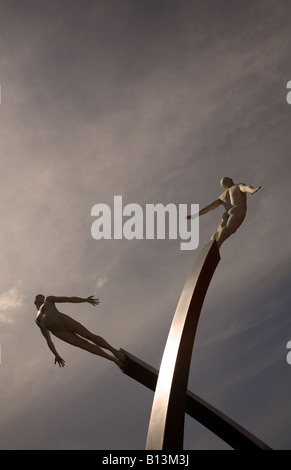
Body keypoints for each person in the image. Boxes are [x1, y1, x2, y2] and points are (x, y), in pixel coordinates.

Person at [34, 294, 126, 368]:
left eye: (40, 295)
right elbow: (48, 339)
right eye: (38, 296)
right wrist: (56, 354)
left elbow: (68, 299)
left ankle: (115, 352)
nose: (39, 296)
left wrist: (85, 300)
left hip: (62, 320)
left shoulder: (48, 300)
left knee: (89, 336)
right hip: (60, 332)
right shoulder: (37, 320)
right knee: (83, 345)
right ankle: (113, 359)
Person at [187, 177, 261, 248]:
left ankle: (214, 241)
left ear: (224, 187)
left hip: (226, 214)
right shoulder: (237, 186)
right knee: (230, 228)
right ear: (231, 180)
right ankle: (218, 244)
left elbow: (209, 207)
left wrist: (195, 215)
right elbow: (245, 188)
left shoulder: (222, 196)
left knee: (219, 232)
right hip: (237, 209)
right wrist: (252, 190)